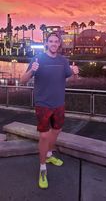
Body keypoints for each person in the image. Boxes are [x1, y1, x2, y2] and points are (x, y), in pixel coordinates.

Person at [20, 32, 79, 189]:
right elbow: (22, 80)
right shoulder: (38, 59)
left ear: (59, 44)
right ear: (46, 43)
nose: (53, 44)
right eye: (51, 41)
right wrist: (32, 70)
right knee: (45, 136)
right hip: (43, 104)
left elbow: (72, 80)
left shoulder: (63, 61)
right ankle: (42, 168)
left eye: (56, 41)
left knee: (57, 131)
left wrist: (75, 74)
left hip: (59, 104)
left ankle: (49, 154)